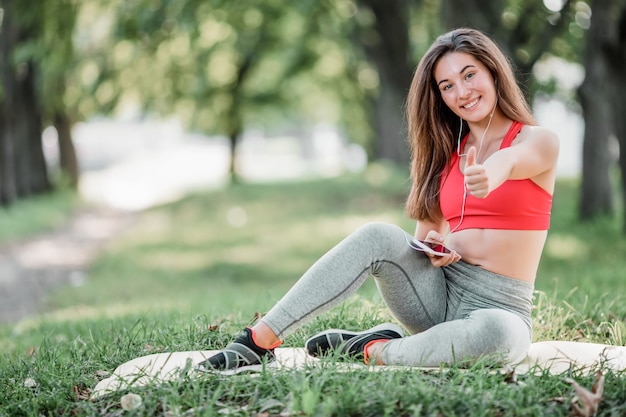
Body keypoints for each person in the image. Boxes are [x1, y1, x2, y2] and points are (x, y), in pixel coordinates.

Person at [197, 27, 560, 371]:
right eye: (447, 86)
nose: (461, 92)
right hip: (436, 297)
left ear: (493, 72)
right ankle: (257, 342)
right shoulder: (446, 154)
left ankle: (374, 349)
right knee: (377, 235)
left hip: (501, 310)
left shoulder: (538, 140)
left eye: (469, 75)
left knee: (498, 337)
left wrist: (490, 172)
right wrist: (432, 245)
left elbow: (513, 161)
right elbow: (425, 235)